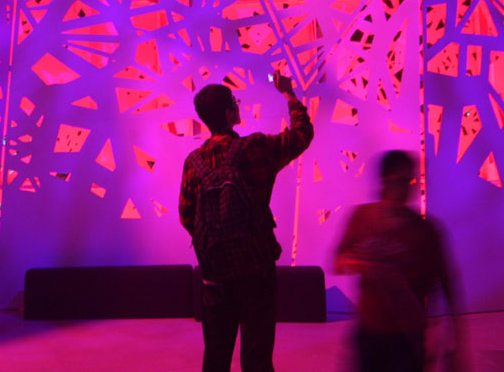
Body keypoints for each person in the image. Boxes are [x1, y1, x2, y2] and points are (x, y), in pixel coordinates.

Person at [179, 74, 313, 372]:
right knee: (257, 357)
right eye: (234, 102)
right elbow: (302, 134)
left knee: (216, 357)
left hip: (215, 274)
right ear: (230, 112)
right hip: (256, 268)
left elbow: (186, 215)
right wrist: (289, 94)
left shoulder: (193, 163)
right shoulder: (255, 148)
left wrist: (215, 240)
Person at [335, 150, 464, 372]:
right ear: (384, 181)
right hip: (370, 332)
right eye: (399, 180)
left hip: (409, 336)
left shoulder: (426, 231)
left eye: (409, 181)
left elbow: (447, 286)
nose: (406, 188)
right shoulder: (362, 218)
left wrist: (456, 342)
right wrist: (365, 265)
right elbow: (339, 262)